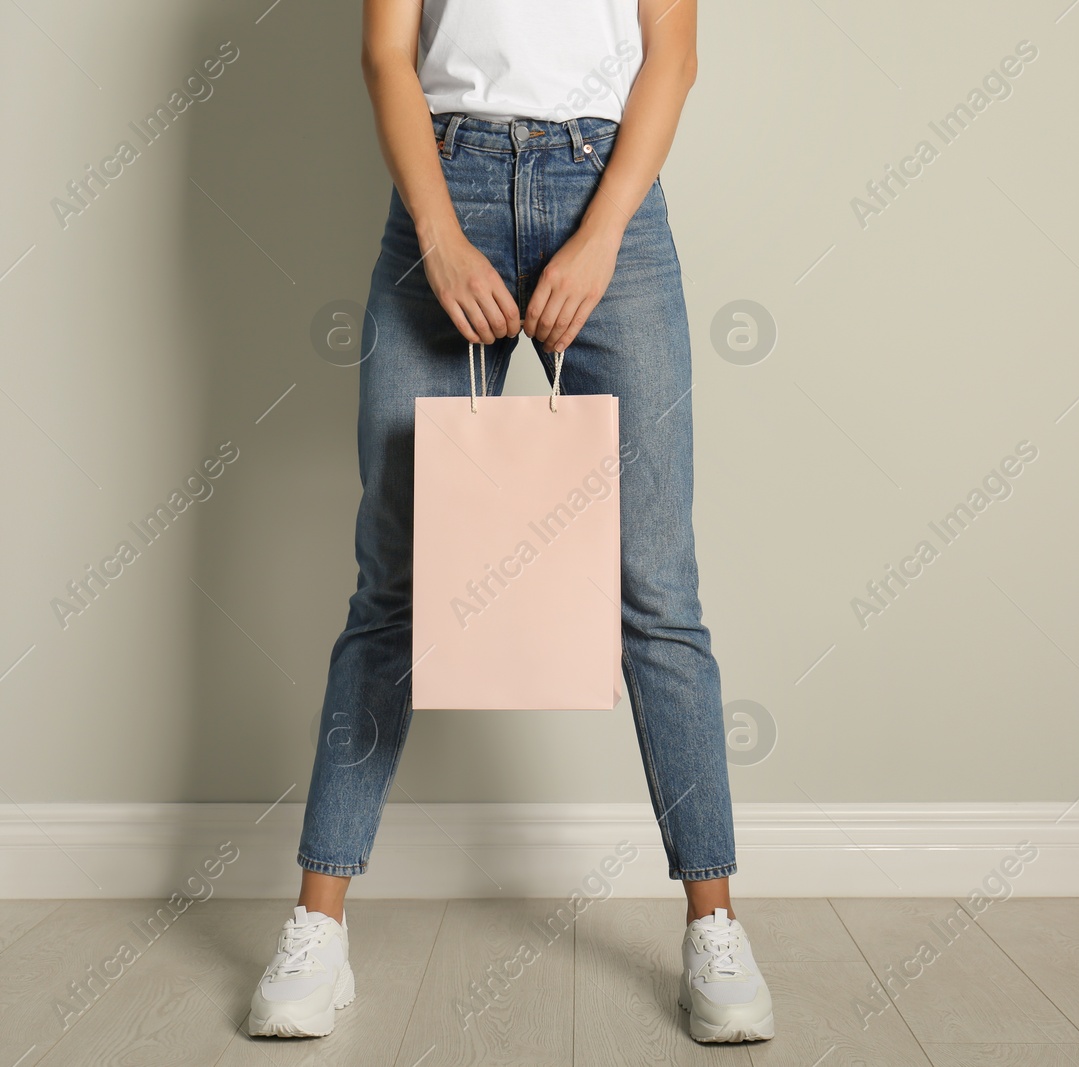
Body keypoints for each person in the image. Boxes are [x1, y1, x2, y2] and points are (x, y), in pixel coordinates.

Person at [247, 0, 774, 1045]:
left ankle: (713, 926)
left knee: (658, 584)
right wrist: (438, 236)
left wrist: (602, 235)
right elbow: (388, 52)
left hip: (609, 187)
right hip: (448, 189)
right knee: (392, 582)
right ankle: (317, 921)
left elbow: (673, 56)